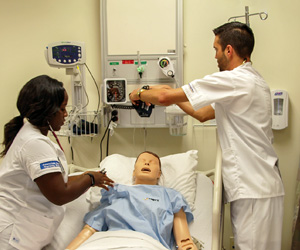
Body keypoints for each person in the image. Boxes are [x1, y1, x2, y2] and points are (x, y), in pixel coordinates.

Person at [129, 22, 285, 250]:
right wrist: (160, 90)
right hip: (261, 185)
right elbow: (201, 113)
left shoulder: (234, 80)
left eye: (216, 49)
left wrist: (139, 92)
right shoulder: (252, 81)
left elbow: (164, 98)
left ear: (229, 50)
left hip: (254, 188)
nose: (215, 56)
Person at [0, 75, 114, 250]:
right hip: (13, 234)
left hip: (22, 233)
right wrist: (90, 179)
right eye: (62, 109)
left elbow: (54, 181)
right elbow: (59, 194)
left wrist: (85, 177)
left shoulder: (31, 136)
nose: (66, 114)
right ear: (46, 111)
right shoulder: (35, 144)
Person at [66, 151, 197, 250]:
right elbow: (90, 229)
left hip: (147, 244)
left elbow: (184, 240)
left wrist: (187, 244)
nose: (147, 163)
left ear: (159, 174)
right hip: (107, 243)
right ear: (134, 172)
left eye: (153, 162)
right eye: (143, 161)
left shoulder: (170, 196)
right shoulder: (114, 191)